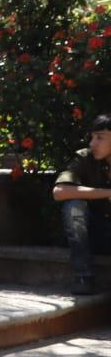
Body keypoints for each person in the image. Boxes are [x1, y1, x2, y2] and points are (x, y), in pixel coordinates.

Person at [54, 112, 111, 295]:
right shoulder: (85, 158)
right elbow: (59, 192)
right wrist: (107, 193)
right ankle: (83, 277)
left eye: (100, 138)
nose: (92, 143)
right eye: (92, 137)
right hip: (92, 233)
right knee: (73, 206)